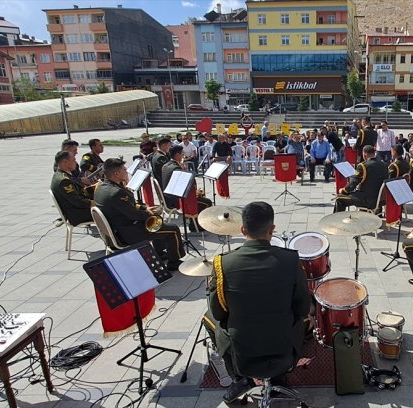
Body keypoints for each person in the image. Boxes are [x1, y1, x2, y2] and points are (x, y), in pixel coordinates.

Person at [203, 202, 311, 403]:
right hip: (283, 350)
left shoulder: (222, 264)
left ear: (243, 230)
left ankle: (240, 377)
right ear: (272, 230)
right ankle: (278, 377)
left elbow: (219, 313)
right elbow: (303, 308)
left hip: (243, 355)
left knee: (208, 318)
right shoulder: (290, 260)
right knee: (302, 319)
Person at [94, 158, 185, 270]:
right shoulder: (117, 192)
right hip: (128, 233)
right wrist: (149, 212)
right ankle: (174, 262)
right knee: (173, 229)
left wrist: (145, 208)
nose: (126, 170)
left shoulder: (101, 187)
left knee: (158, 222)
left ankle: (160, 254)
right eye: (124, 169)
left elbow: (125, 207)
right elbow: (134, 215)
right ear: (116, 174)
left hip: (117, 229)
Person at [162, 145, 212, 231]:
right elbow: (185, 184)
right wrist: (183, 170)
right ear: (177, 155)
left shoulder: (166, 165)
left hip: (168, 197)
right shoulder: (176, 168)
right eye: (182, 154)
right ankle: (196, 225)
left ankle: (195, 222)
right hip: (175, 200)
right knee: (207, 202)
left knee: (200, 199)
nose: (183, 156)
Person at [334, 145, 387, 213]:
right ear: (374, 153)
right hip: (380, 200)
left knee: (339, 199)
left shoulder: (363, 166)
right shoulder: (384, 165)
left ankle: (336, 222)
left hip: (366, 200)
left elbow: (353, 184)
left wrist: (343, 191)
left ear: (364, 154)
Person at [51, 151, 93, 225]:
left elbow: (77, 192)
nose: (76, 162)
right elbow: (79, 202)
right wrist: (96, 203)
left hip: (76, 210)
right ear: (65, 162)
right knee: (111, 210)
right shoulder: (64, 181)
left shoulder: (61, 174)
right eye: (73, 160)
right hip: (77, 214)